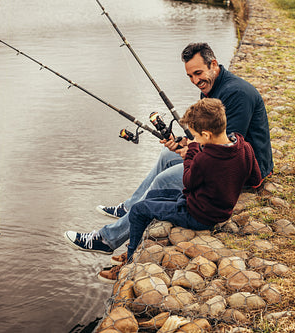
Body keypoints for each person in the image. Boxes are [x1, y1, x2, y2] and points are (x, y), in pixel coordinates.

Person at [64, 42, 273, 255]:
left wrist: (191, 152)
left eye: (198, 73)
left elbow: (224, 150)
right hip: (223, 158)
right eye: (190, 76)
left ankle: (107, 239)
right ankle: (130, 207)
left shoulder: (236, 94)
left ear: (214, 64)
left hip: (237, 171)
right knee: (166, 154)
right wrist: (184, 142)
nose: (195, 81)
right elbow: (210, 135)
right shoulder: (212, 87)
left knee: (163, 181)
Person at [99, 98, 262, 281]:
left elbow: (188, 181)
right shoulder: (243, 146)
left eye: (196, 136)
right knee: (153, 195)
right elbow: (255, 179)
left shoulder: (205, 158)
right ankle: (137, 245)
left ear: (206, 135)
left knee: (138, 209)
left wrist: (192, 151)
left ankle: (129, 264)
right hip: (217, 207)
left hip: (199, 215)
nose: (195, 140)